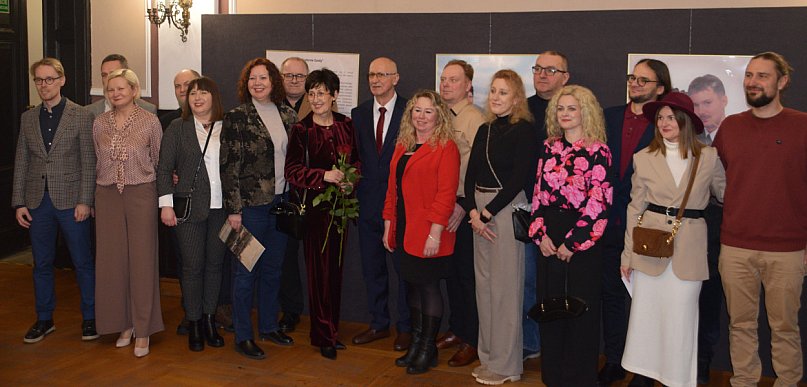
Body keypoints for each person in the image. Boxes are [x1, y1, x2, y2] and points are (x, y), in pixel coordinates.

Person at [713, 51, 807, 387]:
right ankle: (744, 381)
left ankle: (787, 382)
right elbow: (718, 180)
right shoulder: (731, 126)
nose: (753, 82)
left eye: (762, 76)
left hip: (787, 250)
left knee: (784, 327)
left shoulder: (802, 125)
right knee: (740, 325)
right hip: (735, 246)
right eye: (750, 75)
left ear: (782, 82)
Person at [620, 92, 726, 387]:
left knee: (681, 321)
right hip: (648, 249)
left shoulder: (708, 157)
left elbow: (726, 194)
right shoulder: (644, 158)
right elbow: (634, 207)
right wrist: (627, 256)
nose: (665, 123)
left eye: (671, 117)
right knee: (646, 319)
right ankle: (642, 376)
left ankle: (677, 379)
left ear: (685, 121)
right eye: (660, 118)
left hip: (688, 250)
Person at [528, 85, 611, 387]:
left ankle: (579, 380)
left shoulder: (598, 150)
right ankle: (554, 377)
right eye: (560, 108)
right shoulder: (549, 146)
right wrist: (541, 235)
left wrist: (573, 243)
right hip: (549, 237)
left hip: (583, 241)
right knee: (551, 311)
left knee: (580, 313)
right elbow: (537, 195)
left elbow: (599, 204)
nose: (565, 114)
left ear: (584, 112)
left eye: (571, 108)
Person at [13, 57, 98, 344]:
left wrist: (86, 200)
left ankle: (90, 318)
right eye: (39, 80)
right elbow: (22, 161)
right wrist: (19, 202)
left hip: (73, 201)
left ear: (62, 80)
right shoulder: (28, 118)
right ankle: (44, 319)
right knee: (42, 264)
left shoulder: (82, 115)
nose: (44, 85)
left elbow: (89, 161)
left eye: (49, 79)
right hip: (38, 202)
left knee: (83, 262)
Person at [220, 57, 298, 360]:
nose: (258, 83)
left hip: (281, 204)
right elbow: (229, 168)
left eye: (263, 78)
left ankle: (268, 326)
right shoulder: (237, 117)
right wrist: (234, 210)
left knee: (273, 270)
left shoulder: (288, 115)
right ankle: (243, 335)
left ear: (273, 81)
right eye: (252, 78)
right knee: (245, 272)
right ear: (246, 83)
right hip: (250, 208)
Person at [599, 58, 671, 386]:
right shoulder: (608, 117)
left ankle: (644, 370)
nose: (636, 84)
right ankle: (614, 360)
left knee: (647, 302)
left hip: (648, 227)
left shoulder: (667, 125)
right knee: (611, 297)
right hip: (608, 224)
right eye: (633, 77)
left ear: (660, 88)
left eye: (644, 80)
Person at [463, 69, 537, 385]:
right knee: (485, 290)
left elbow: (520, 178)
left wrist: (488, 212)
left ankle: (508, 366)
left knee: (506, 291)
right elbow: (470, 175)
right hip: (479, 215)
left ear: (517, 97)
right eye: (493, 91)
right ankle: (489, 357)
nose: (496, 97)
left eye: (503, 92)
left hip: (504, 212)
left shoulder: (525, 132)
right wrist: (472, 212)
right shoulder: (485, 130)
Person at [285, 68, 360, 360]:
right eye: (312, 93)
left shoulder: (347, 125)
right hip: (315, 213)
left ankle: (332, 329)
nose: (316, 99)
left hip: (340, 210)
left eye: (321, 93)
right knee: (319, 275)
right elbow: (292, 171)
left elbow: (357, 162)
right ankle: (322, 335)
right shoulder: (302, 130)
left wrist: (349, 181)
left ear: (334, 95)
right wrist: (324, 176)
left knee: (336, 273)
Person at [384, 90, 460, 374]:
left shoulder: (446, 147)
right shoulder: (403, 144)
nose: (422, 116)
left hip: (430, 231)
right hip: (404, 228)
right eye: (417, 110)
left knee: (428, 287)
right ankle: (416, 344)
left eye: (429, 111)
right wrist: (388, 224)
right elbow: (392, 190)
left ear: (439, 115)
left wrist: (435, 234)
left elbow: (446, 194)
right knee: (412, 286)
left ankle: (427, 349)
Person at [93, 68, 164, 358]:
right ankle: (123, 324)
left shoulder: (150, 122)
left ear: (134, 91)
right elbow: (97, 159)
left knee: (142, 261)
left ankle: (143, 329)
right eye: (111, 89)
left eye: (121, 88)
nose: (115, 93)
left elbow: (158, 161)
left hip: (141, 194)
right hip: (107, 194)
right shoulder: (99, 123)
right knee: (113, 263)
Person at [157, 76, 227, 352]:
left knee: (215, 266)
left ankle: (210, 320)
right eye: (192, 93)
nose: (196, 97)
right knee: (192, 267)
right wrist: (165, 204)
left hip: (222, 209)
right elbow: (164, 169)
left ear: (214, 97)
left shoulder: (228, 126)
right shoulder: (177, 127)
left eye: (203, 93)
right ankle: (195, 322)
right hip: (187, 211)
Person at [351, 57, 412, 351]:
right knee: (372, 269)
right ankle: (378, 323)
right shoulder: (359, 114)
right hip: (366, 206)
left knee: (403, 272)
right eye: (372, 75)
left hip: (402, 208)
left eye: (383, 74)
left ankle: (406, 327)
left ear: (396, 78)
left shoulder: (412, 111)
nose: (376, 80)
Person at [435, 59, 485, 367]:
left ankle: (473, 339)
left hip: (464, 208)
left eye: (454, 80)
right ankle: (457, 328)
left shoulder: (475, 119)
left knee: (468, 277)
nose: (446, 84)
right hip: (444, 205)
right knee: (451, 275)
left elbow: (478, 169)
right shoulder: (441, 117)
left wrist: (463, 205)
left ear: (468, 85)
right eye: (443, 79)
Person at [523, 50, 570, 362]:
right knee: (528, 280)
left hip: (568, 216)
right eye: (538, 68)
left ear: (565, 77)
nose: (542, 74)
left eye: (551, 70)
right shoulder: (521, 109)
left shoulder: (574, 110)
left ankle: (561, 348)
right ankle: (531, 343)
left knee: (562, 284)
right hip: (528, 208)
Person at [686, 74, 727, 383]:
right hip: (687, 233)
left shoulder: (739, 134)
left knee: (710, 304)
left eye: (708, 103)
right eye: (695, 104)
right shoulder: (686, 141)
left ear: (723, 100)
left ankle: (701, 367)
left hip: (723, 234)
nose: (701, 111)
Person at [157, 67, 201, 336]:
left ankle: (213, 310)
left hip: (213, 203)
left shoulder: (219, 119)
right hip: (180, 206)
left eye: (188, 84)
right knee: (187, 261)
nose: (183, 90)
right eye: (177, 86)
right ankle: (190, 312)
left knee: (213, 261)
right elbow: (159, 162)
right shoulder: (167, 122)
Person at [276, 56, 309, 334]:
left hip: (314, 193)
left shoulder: (321, 107)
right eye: (289, 76)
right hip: (283, 194)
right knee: (285, 256)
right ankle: (290, 309)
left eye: (300, 76)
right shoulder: (270, 108)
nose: (294, 81)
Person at [87, 54, 157, 116]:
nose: (108, 79)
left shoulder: (148, 110)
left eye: (113, 74)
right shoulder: (90, 112)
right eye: (104, 75)